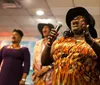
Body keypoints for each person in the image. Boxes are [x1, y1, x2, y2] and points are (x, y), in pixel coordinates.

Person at [41, 7, 100, 85]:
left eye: (79, 18)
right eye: (72, 19)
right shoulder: (60, 42)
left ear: (88, 24)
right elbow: (44, 62)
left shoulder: (97, 42)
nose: (74, 20)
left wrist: (91, 42)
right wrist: (49, 44)